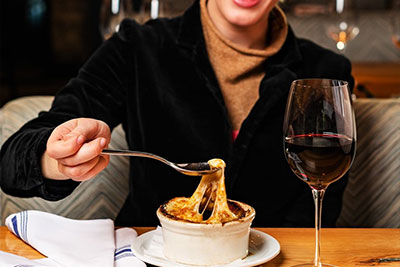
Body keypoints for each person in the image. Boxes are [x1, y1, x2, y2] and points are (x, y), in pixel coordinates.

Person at [0, 0, 354, 227]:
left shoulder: (326, 70)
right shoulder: (138, 46)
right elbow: (11, 164)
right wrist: (55, 157)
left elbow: (318, 209)